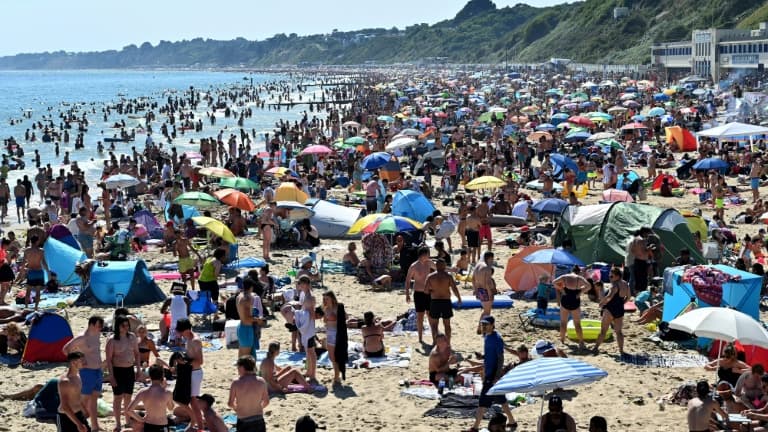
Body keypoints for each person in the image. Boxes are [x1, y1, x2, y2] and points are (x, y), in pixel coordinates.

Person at [467, 316, 516, 432]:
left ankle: (475, 427)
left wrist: (497, 377)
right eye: (482, 324)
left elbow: (500, 358)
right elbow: (491, 355)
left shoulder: (497, 338)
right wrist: (482, 356)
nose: (484, 326)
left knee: (482, 403)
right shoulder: (486, 336)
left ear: (492, 325)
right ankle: (512, 422)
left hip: (493, 376)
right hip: (490, 374)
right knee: (502, 400)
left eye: (486, 324)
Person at [62, 316, 104, 432]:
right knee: (83, 400)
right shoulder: (82, 338)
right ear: (91, 324)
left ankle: (95, 426)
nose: (101, 328)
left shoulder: (97, 335)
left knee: (94, 399)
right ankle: (77, 423)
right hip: (87, 371)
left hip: (98, 371)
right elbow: (66, 349)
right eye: (98, 325)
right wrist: (77, 362)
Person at [105, 315, 140, 431]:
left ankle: (128, 420)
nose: (126, 328)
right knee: (118, 398)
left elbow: (137, 353)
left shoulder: (132, 337)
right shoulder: (112, 340)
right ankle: (118, 423)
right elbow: (109, 359)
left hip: (129, 369)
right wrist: (111, 375)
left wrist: (138, 370)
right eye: (123, 325)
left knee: (128, 397)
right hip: (117, 371)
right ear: (118, 326)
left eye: (127, 325)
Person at [123, 365, 174, 432]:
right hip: (162, 425)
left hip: (149, 425)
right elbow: (171, 408)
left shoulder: (143, 392)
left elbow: (129, 410)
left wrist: (141, 419)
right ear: (162, 376)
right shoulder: (167, 393)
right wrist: (164, 388)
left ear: (150, 376)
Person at [175, 318, 204, 431]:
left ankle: (199, 425)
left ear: (186, 329)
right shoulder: (188, 338)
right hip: (190, 372)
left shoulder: (195, 341)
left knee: (193, 401)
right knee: (184, 399)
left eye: (181, 331)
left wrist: (185, 361)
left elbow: (200, 361)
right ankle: (194, 422)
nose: (180, 334)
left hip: (195, 373)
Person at [593, 267, 630, 355]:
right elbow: (628, 297)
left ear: (617, 276)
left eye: (611, 276)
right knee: (619, 332)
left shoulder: (615, 285)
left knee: (603, 331)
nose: (610, 278)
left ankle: (595, 348)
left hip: (610, 309)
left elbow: (609, 297)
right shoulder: (626, 284)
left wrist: (602, 303)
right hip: (620, 309)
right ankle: (621, 351)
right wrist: (622, 303)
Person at [228, 355, 269, 432]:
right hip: (259, 419)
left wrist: (237, 409)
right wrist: (258, 408)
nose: (237, 370)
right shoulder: (261, 381)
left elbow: (230, 403)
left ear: (242, 368)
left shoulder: (236, 383)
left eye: (238, 368)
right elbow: (266, 401)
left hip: (243, 420)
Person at [553, 266, 590, 351]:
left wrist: (562, 290)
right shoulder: (579, 278)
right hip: (575, 300)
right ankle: (581, 342)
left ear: (571, 271)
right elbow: (589, 286)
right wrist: (580, 292)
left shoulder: (565, 276)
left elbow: (554, 282)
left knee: (563, 322)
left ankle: (562, 340)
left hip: (565, 299)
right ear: (579, 272)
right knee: (577, 324)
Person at [426, 258, 461, 344]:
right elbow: (454, 288)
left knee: (434, 325)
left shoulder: (430, 277)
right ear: (444, 266)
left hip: (435, 301)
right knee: (447, 324)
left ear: (436, 266)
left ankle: (435, 342)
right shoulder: (448, 276)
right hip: (446, 301)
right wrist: (459, 298)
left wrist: (433, 290)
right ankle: (448, 343)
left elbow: (426, 291)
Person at [404, 247, 435, 344]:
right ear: (423, 254)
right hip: (418, 293)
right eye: (428, 254)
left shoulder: (429, 263)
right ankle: (420, 338)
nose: (429, 256)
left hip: (428, 293)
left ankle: (434, 337)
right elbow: (408, 280)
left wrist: (451, 269)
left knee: (430, 315)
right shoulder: (414, 266)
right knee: (420, 316)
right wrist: (407, 294)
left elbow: (440, 268)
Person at [57, 351, 90, 432]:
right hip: (66, 417)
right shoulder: (65, 381)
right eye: (81, 361)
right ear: (73, 363)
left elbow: (77, 397)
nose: (84, 363)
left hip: (79, 413)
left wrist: (85, 410)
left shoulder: (78, 377)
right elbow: (65, 406)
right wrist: (78, 424)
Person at [321, 290, 348, 385]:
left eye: (327, 299)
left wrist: (336, 318)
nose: (325, 301)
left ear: (332, 298)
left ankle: (336, 377)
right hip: (329, 333)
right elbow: (325, 320)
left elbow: (346, 317)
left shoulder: (338, 307)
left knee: (336, 356)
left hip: (337, 334)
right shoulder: (326, 308)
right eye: (324, 299)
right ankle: (337, 375)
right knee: (331, 356)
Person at [237, 276, 264, 358]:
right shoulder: (247, 299)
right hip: (246, 329)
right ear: (251, 287)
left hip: (241, 327)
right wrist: (258, 320)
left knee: (243, 354)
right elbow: (247, 318)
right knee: (246, 357)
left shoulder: (239, 296)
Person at [22, 234, 48, 310]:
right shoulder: (41, 251)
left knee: (28, 290)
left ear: (31, 241)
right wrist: (48, 272)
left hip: (31, 272)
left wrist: (22, 273)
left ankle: (26, 307)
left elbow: (23, 263)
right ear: (37, 241)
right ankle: (36, 307)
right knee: (38, 291)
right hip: (39, 272)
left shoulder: (26, 251)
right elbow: (44, 263)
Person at [295, 294, 318, 382]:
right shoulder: (303, 295)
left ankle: (313, 374)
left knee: (311, 352)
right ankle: (309, 372)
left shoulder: (310, 297)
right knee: (308, 352)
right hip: (307, 328)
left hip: (309, 329)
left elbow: (313, 315)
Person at [472, 251, 496, 331]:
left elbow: (473, 279)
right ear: (489, 258)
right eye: (492, 259)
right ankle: (482, 328)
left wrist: (475, 290)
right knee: (487, 312)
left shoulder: (477, 265)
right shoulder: (487, 268)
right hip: (486, 291)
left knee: (485, 311)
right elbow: (487, 283)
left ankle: (480, 327)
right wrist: (490, 294)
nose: (492, 261)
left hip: (480, 290)